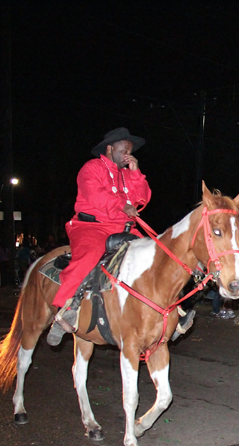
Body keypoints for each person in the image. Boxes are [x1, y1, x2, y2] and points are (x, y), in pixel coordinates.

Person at [47, 128, 151, 346]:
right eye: (124, 150)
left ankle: (168, 310)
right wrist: (122, 205)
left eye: (130, 151)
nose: (127, 155)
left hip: (121, 227)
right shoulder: (91, 168)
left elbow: (141, 198)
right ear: (110, 148)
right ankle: (65, 310)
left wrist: (135, 173)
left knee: (152, 253)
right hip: (91, 226)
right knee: (89, 256)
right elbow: (96, 195)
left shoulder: (126, 174)